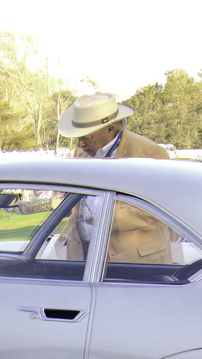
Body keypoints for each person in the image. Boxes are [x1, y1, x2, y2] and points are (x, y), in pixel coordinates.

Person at [59, 93, 172, 265]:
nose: (80, 144)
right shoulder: (80, 154)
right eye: (78, 137)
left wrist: (105, 218)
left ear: (111, 130)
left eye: (86, 136)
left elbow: (161, 208)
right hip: (85, 258)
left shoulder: (150, 154)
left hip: (135, 262)